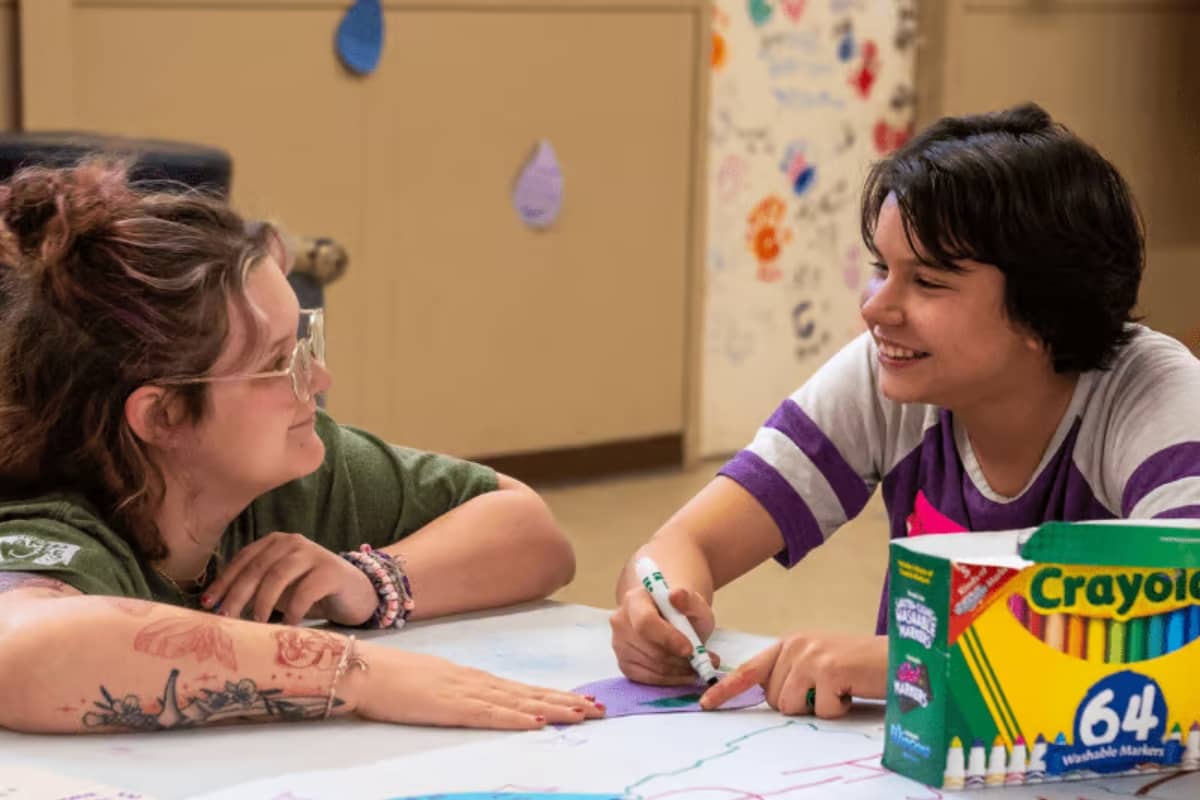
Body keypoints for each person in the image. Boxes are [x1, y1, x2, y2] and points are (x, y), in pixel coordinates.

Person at [610, 102, 1200, 719]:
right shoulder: (892, 369)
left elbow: (1179, 631)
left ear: (1044, 309)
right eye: (881, 269)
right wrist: (657, 608)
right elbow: (684, 542)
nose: (876, 309)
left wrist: (906, 661)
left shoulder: (1153, 396)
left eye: (928, 282)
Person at [0, 159, 602, 733]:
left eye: (304, 343)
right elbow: (21, 652)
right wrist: (356, 673)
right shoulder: (51, 517)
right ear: (163, 415)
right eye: (275, 364)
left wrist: (372, 581)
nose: (317, 381)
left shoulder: (283, 475)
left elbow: (531, 535)